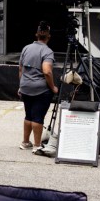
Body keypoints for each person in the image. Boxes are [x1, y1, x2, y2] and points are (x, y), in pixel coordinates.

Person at [17, 21, 58, 151]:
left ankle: (25, 142)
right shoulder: (47, 51)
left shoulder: (26, 48)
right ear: (49, 36)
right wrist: (53, 87)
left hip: (25, 87)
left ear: (36, 34)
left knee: (28, 115)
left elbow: (21, 69)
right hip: (40, 90)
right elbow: (47, 71)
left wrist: (21, 86)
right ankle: (37, 145)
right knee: (38, 117)